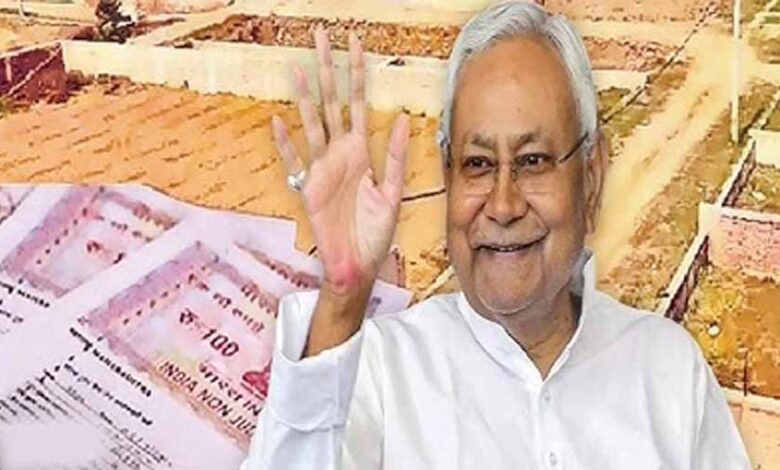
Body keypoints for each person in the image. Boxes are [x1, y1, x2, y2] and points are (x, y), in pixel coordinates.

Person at [242, 1, 751, 468]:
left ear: (591, 177)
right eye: (478, 164)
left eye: (533, 161)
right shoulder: (378, 372)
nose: (503, 205)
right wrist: (342, 300)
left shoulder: (668, 373)